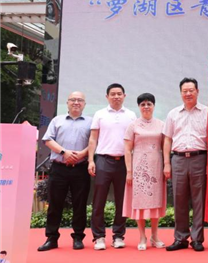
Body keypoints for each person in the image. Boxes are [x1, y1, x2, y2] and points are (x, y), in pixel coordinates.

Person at [38, 92, 92, 251]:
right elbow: (48, 140)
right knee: (55, 204)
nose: (76, 102)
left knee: (80, 204)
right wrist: (64, 152)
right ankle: (51, 238)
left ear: (84, 104)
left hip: (80, 168)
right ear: (67, 103)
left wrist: (82, 154)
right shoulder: (57, 120)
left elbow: (95, 142)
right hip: (59, 168)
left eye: (80, 100)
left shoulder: (91, 122)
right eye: (73, 100)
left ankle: (78, 237)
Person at [88, 83, 137, 250]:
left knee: (122, 201)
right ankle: (99, 236)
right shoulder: (100, 114)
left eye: (119, 94)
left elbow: (134, 140)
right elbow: (93, 139)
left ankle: (118, 235)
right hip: (103, 160)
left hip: (124, 162)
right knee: (99, 200)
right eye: (113, 94)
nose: (116, 97)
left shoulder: (131, 115)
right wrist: (91, 160)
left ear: (124, 96)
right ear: (107, 97)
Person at [163, 78, 208, 251]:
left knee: (199, 200)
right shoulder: (173, 114)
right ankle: (180, 238)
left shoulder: (207, 112)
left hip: (199, 158)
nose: (188, 93)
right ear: (180, 93)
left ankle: (197, 239)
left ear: (197, 91)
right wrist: (167, 163)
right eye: (185, 91)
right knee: (179, 199)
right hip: (178, 159)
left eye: (191, 90)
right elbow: (167, 139)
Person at [123, 93, 167, 251]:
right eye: (143, 104)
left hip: (156, 168)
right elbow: (127, 150)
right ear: (139, 107)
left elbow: (165, 147)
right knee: (140, 204)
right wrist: (129, 171)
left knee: (155, 203)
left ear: (154, 106)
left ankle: (155, 236)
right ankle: (142, 236)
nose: (146, 107)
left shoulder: (161, 124)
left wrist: (166, 166)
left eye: (149, 104)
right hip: (139, 169)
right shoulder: (133, 125)